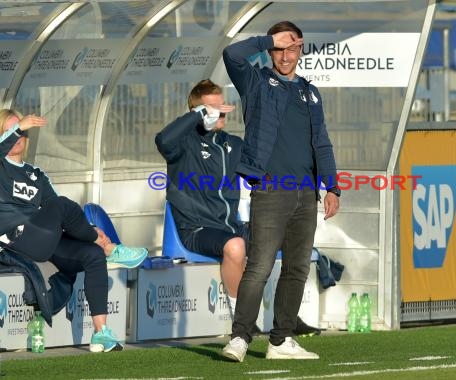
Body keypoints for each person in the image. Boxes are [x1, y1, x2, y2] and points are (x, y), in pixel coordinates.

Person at [155, 79, 321, 337]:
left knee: (290, 239)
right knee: (235, 246)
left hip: (229, 226)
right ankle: (243, 320)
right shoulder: (183, 143)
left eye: (222, 105)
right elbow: (163, 140)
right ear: (196, 112)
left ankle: (286, 316)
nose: (221, 112)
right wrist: (197, 116)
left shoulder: (231, 144)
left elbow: (263, 169)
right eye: (212, 108)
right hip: (196, 228)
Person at [222, 21, 340, 362]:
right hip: (271, 189)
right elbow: (232, 54)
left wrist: (332, 186)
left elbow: (322, 142)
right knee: (259, 266)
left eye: (292, 49)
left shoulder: (310, 92)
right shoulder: (256, 81)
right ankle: (240, 338)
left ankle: (281, 340)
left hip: (306, 193)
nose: (285, 56)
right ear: (270, 50)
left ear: (301, 50)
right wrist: (266, 40)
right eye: (279, 49)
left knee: (297, 269)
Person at [0, 109, 148, 352]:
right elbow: (60, 209)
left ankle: (101, 333)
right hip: (14, 240)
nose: (18, 135)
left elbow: (59, 214)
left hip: (40, 237)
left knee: (92, 254)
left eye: (23, 131)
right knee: (63, 205)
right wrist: (18, 126)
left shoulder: (36, 175)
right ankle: (111, 248)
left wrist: (90, 231)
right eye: (12, 130)